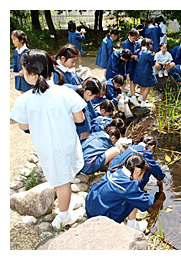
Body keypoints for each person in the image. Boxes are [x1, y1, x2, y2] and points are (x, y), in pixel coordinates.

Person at [10, 49, 87, 230]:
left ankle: (64, 212)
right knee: (64, 179)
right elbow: (80, 118)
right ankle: (65, 215)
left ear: (32, 74)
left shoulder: (25, 100)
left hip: (45, 145)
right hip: (66, 142)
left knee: (59, 178)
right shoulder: (65, 92)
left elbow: (22, 126)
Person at [85, 154, 157, 231]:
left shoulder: (116, 170)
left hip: (90, 207)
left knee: (133, 195)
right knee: (136, 199)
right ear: (137, 171)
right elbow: (146, 202)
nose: (142, 178)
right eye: (143, 174)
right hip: (100, 218)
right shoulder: (127, 186)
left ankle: (130, 223)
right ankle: (131, 226)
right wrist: (154, 198)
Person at [133, 38, 157, 108]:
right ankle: (143, 102)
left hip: (138, 70)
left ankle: (141, 96)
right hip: (146, 71)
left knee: (142, 84)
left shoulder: (138, 51)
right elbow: (153, 63)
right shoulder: (148, 54)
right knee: (147, 86)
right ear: (148, 45)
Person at [123, 29, 141, 107]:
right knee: (131, 79)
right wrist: (133, 56)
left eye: (136, 38)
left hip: (135, 63)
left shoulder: (135, 43)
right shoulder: (126, 43)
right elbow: (126, 54)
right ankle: (133, 96)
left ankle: (132, 91)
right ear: (129, 36)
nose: (135, 40)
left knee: (135, 78)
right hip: (129, 63)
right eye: (134, 38)